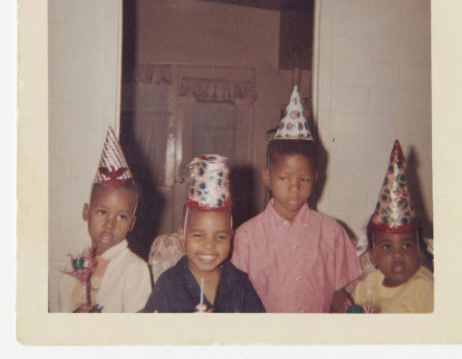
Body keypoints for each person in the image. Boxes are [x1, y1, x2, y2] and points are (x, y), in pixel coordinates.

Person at [232, 85, 362, 313]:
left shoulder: (332, 233)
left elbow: (338, 291)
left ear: (316, 179)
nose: (294, 188)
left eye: (304, 179)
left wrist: (347, 306)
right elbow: (236, 298)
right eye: (284, 178)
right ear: (267, 178)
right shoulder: (247, 237)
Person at [143, 155, 265, 313]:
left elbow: (260, 329)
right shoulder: (169, 284)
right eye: (199, 235)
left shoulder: (239, 283)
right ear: (182, 236)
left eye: (221, 236)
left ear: (231, 237)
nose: (209, 245)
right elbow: (151, 333)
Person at [56, 127, 152, 313]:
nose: (110, 224)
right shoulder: (73, 266)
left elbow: (138, 332)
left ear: (132, 223)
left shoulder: (135, 270)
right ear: (86, 212)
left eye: (121, 216)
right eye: (102, 212)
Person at [352, 140, 434, 313]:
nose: (398, 254)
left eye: (407, 245)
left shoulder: (424, 289)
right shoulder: (368, 285)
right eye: (387, 246)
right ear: (373, 255)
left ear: (420, 249)